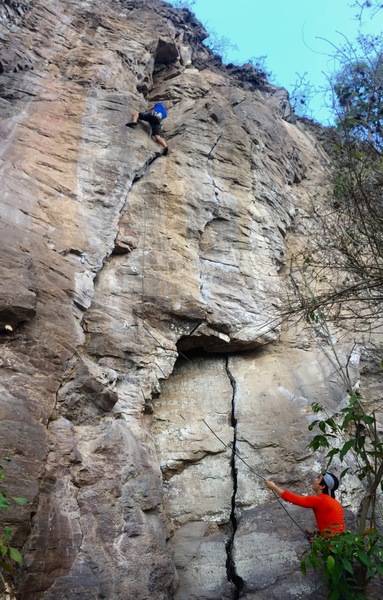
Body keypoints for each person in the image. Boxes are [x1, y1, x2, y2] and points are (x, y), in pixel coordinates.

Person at [265, 473, 345, 538]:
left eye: (318, 479)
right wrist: (318, 535)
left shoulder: (320, 500)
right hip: (340, 542)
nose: (315, 480)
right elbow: (334, 526)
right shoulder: (335, 502)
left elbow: (294, 499)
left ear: (322, 486)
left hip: (332, 546)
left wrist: (274, 487)